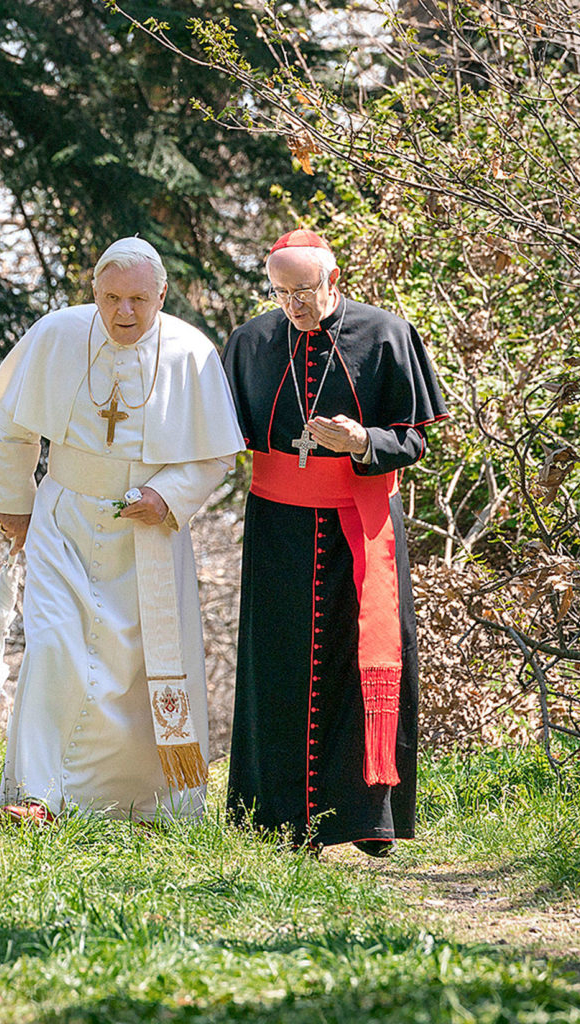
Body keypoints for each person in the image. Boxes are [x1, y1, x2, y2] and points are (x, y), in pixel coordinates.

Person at [0, 237, 244, 825]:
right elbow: (15, 428)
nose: (124, 313)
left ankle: (148, 804)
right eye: (111, 298)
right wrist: (15, 502)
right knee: (53, 647)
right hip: (63, 519)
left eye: (138, 300)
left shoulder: (190, 353)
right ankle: (38, 795)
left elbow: (213, 456)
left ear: (162, 296)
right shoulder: (56, 335)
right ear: (94, 292)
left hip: (148, 533)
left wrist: (165, 496)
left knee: (138, 667)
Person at [221, 229, 447, 855]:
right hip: (278, 528)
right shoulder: (251, 342)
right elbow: (219, 433)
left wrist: (362, 443)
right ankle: (275, 817)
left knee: (362, 661)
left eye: (305, 291)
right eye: (281, 293)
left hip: (362, 521)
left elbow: (414, 441)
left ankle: (365, 819)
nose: (294, 305)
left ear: (334, 280)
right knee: (279, 664)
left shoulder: (385, 335)